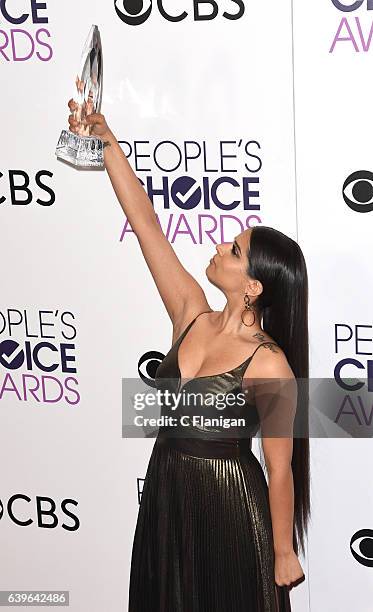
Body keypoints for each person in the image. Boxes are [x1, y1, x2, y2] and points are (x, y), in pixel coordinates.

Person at [67, 101, 310, 611]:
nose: (221, 246)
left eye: (236, 251)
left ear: (253, 287)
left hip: (229, 507)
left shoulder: (269, 364)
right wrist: (103, 134)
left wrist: (283, 551)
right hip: (168, 494)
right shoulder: (190, 313)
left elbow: (280, 467)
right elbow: (146, 223)